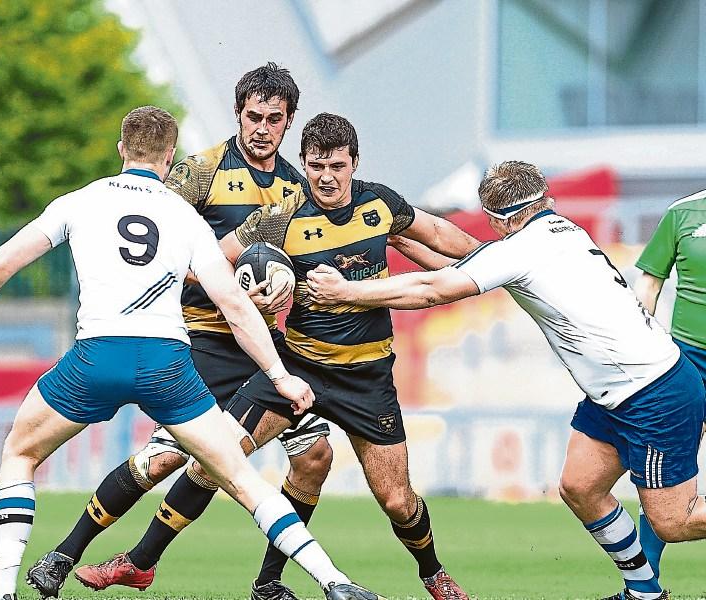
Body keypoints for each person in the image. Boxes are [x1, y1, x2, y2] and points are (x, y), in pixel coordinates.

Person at [0, 105, 380, 600]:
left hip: (96, 359)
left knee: (19, 452)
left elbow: (0, 263)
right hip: (168, 365)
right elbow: (235, 307)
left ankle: (1, 590)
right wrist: (280, 375)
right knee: (241, 478)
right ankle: (334, 581)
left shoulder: (81, 201)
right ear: (170, 156)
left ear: (121, 149)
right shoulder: (185, 218)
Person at [77, 112, 481, 600]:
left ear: (355, 162)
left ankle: (432, 573)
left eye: (336, 166)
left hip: (368, 377)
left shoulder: (381, 203)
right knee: (213, 461)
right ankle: (141, 562)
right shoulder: (281, 216)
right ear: (305, 165)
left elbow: (437, 235)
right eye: (315, 167)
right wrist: (250, 296)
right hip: (298, 367)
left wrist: (498, 260)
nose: (326, 178)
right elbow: (200, 264)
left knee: (397, 501)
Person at [306, 160, 706, 600]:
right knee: (580, 486)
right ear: (544, 200)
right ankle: (645, 592)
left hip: (654, 392)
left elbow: (434, 290)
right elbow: (467, 259)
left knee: (674, 520)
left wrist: (346, 292)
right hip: (620, 391)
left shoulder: (520, 250)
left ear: (498, 220)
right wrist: (397, 237)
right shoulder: (556, 231)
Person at [28, 63, 333, 600]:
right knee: (168, 458)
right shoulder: (200, 172)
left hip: (262, 344)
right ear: (238, 114)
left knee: (314, 456)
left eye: (274, 119)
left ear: (288, 123)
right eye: (253, 116)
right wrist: (223, 279)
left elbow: (296, 259)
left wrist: (284, 288)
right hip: (201, 339)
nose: (262, 128)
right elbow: (157, 251)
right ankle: (65, 553)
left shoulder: (295, 188)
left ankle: (268, 582)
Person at [632, 188, 706, 586]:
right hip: (687, 363)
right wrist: (642, 346)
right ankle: (645, 585)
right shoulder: (682, 213)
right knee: (664, 475)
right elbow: (649, 286)